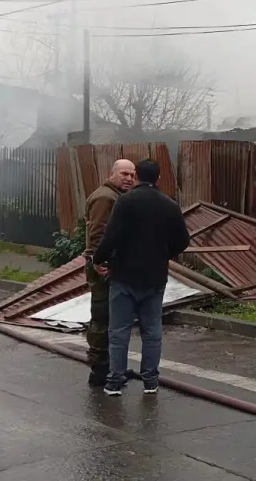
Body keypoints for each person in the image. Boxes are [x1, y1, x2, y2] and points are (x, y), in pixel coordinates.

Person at [93, 158, 189, 396]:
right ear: (158, 179)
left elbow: (111, 236)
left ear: (136, 177)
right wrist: (165, 253)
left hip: (124, 276)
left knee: (119, 332)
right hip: (155, 277)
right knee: (152, 331)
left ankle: (114, 381)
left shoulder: (125, 202)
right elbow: (183, 241)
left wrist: (98, 259)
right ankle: (151, 381)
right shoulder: (170, 205)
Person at [84, 159, 135, 387]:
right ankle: (99, 370)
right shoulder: (106, 197)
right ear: (112, 173)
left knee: (112, 316)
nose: (129, 178)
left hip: (109, 263)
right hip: (103, 265)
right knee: (103, 315)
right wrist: (99, 260)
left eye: (132, 175)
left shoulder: (115, 196)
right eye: (124, 173)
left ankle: (111, 366)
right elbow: (98, 232)